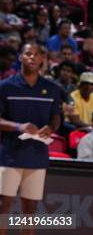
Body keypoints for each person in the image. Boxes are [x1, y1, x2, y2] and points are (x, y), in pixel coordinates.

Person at [0, 43, 62, 228]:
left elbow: (56, 117)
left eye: (37, 54)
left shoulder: (52, 88)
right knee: (4, 207)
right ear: (20, 57)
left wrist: (51, 128)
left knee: (30, 210)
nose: (32, 57)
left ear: (42, 59)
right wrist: (19, 126)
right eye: (28, 53)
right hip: (9, 156)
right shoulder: (5, 87)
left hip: (37, 156)